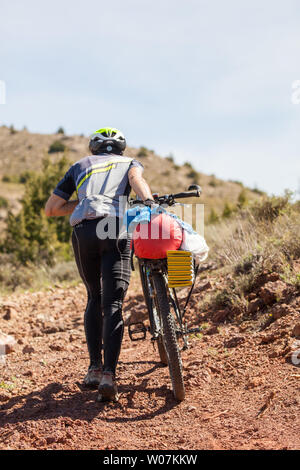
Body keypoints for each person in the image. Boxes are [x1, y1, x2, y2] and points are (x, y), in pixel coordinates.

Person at [45, 127, 154, 402]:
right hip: (115, 228)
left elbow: (52, 208)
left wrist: (83, 202)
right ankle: (108, 375)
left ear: (94, 148)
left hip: (84, 231)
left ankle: (93, 369)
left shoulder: (79, 166)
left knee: (94, 297)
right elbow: (136, 180)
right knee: (113, 304)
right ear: (121, 148)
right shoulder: (129, 163)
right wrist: (149, 201)